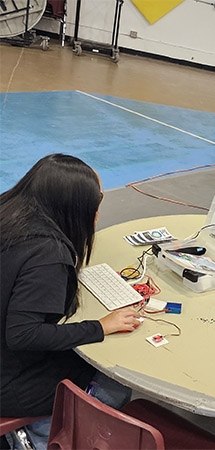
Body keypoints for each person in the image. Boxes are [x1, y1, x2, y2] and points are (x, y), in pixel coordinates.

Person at [1, 154, 142, 446]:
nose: (99, 209)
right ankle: (42, 436)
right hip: (7, 382)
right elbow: (24, 334)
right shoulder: (47, 254)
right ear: (75, 205)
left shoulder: (8, 215)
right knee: (112, 378)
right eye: (97, 200)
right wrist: (100, 326)